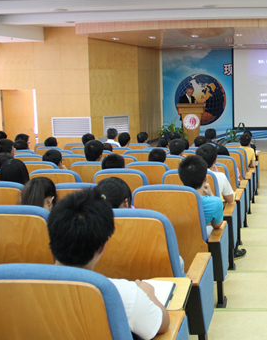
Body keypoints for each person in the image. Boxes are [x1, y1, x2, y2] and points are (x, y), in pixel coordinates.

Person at [47, 189, 169, 338]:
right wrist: (149, 295)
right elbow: (163, 324)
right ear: (102, 247)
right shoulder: (123, 294)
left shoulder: (20, 289)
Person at [196, 144, 247, 259]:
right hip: (212, 220)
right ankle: (232, 250)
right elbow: (230, 200)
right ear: (215, 160)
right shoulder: (219, 176)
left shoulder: (181, 176)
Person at [178, 155, 223, 228]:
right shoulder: (215, 202)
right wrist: (211, 194)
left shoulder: (171, 201)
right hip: (200, 235)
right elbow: (216, 225)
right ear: (205, 178)